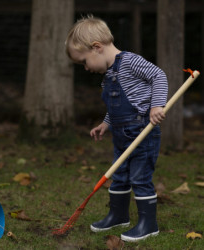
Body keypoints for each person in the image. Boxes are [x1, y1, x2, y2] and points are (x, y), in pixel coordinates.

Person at [65, 15, 168, 242]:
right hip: (121, 135)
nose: (85, 68)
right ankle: (118, 215)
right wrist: (106, 123)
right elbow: (118, 103)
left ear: (97, 48)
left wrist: (157, 106)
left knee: (140, 177)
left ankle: (148, 224)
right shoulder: (109, 74)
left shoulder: (130, 61)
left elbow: (158, 76)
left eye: (84, 61)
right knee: (119, 175)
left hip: (143, 132)